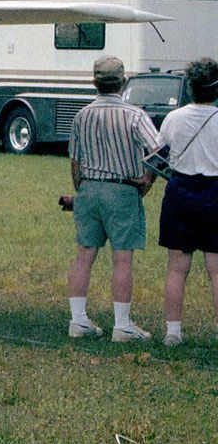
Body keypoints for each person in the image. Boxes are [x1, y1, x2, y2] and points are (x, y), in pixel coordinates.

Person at [65, 54, 162, 342]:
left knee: (84, 255)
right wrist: (146, 181)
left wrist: (80, 191)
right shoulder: (134, 115)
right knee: (122, 259)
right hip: (122, 190)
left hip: (89, 188)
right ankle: (122, 324)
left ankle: (78, 320)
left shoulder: (82, 115)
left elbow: (74, 161)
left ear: (94, 82)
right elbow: (159, 153)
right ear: (122, 81)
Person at [155, 58, 218, 347]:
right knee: (216, 269)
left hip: (180, 190)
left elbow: (159, 152)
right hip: (214, 192)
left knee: (177, 267)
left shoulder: (174, 118)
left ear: (189, 86)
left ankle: (173, 332)